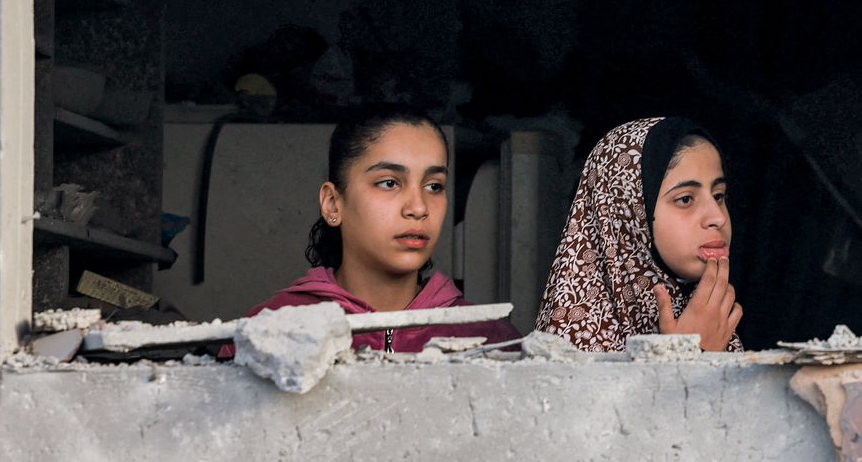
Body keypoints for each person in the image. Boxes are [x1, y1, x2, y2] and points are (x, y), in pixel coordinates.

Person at [227, 105, 522, 355]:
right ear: (332, 203)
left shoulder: (489, 338)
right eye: (389, 183)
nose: (418, 208)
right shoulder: (268, 333)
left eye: (434, 186)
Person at [540, 116, 744, 352]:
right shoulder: (575, 335)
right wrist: (694, 353)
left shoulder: (708, 315)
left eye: (718, 195)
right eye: (685, 199)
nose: (718, 218)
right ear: (627, 214)